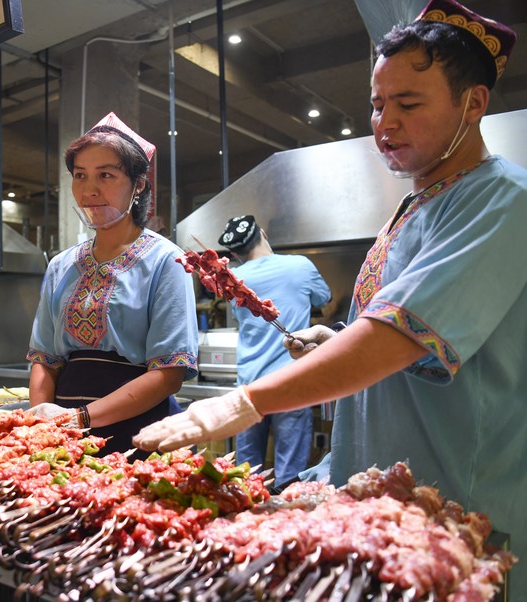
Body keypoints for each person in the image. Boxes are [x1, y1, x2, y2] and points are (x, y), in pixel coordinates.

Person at [134, 0, 526, 594]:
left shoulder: (503, 200)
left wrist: (246, 402)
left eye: (409, 104)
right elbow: (400, 339)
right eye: (377, 104)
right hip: (378, 503)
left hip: (456, 510)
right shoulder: (412, 207)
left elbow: (398, 337)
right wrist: (337, 338)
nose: (385, 124)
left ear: (473, 104)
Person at [26, 112, 198, 456]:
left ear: (139, 184)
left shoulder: (167, 261)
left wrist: (79, 418)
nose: (89, 190)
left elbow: (169, 373)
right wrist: (41, 429)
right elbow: (45, 358)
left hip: (140, 435)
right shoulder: (61, 265)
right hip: (66, 438)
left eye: (106, 175)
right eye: (80, 175)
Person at [217, 215, 331, 489]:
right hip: (292, 381)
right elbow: (323, 297)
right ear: (263, 233)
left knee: (247, 475)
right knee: (289, 477)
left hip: (250, 385)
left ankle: (245, 513)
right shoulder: (300, 266)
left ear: (235, 254)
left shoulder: (235, 280)